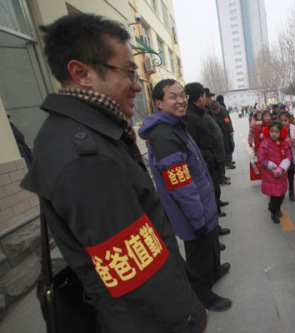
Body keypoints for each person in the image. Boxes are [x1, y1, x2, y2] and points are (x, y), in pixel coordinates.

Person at [21, 14, 206, 332]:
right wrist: (188, 318)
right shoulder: (86, 158)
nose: (137, 85)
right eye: (129, 72)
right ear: (81, 73)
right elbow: (137, 270)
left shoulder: (90, 132)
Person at [138, 79, 232, 312]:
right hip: (193, 210)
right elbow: (180, 186)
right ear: (159, 103)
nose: (180, 100)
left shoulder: (176, 125)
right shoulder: (165, 136)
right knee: (199, 255)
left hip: (202, 202)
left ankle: (214, 272)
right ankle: (203, 297)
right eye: (173, 97)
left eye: (182, 95)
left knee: (210, 245)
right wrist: (197, 217)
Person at [183, 83, 231, 238]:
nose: (207, 98)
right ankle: (213, 230)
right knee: (207, 197)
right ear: (199, 97)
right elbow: (195, 144)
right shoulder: (190, 117)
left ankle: (214, 226)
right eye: (205, 95)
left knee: (213, 193)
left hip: (211, 159)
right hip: (204, 163)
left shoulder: (201, 113)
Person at [258, 121, 292, 224]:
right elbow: (261, 159)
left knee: (281, 194)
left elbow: (288, 156)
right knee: (274, 195)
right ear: (268, 131)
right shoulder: (264, 144)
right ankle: (274, 211)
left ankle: (276, 207)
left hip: (282, 174)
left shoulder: (285, 143)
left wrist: (282, 167)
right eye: (272, 131)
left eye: (276, 132)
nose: (274, 134)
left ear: (281, 132)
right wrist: (272, 167)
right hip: (270, 175)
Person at [278, 111, 295, 201]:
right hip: (281, 158)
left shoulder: (294, 130)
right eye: (281, 121)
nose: (283, 123)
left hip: (293, 158)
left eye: (285, 120)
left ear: (289, 120)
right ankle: (281, 192)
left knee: (291, 175)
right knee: (282, 176)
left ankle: (291, 192)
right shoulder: (277, 130)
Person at [216, 94, 236, 170]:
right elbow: (226, 120)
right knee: (230, 146)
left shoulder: (219, 107)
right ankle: (228, 162)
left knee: (227, 146)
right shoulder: (222, 108)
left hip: (223, 131)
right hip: (226, 131)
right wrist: (230, 130)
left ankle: (228, 160)